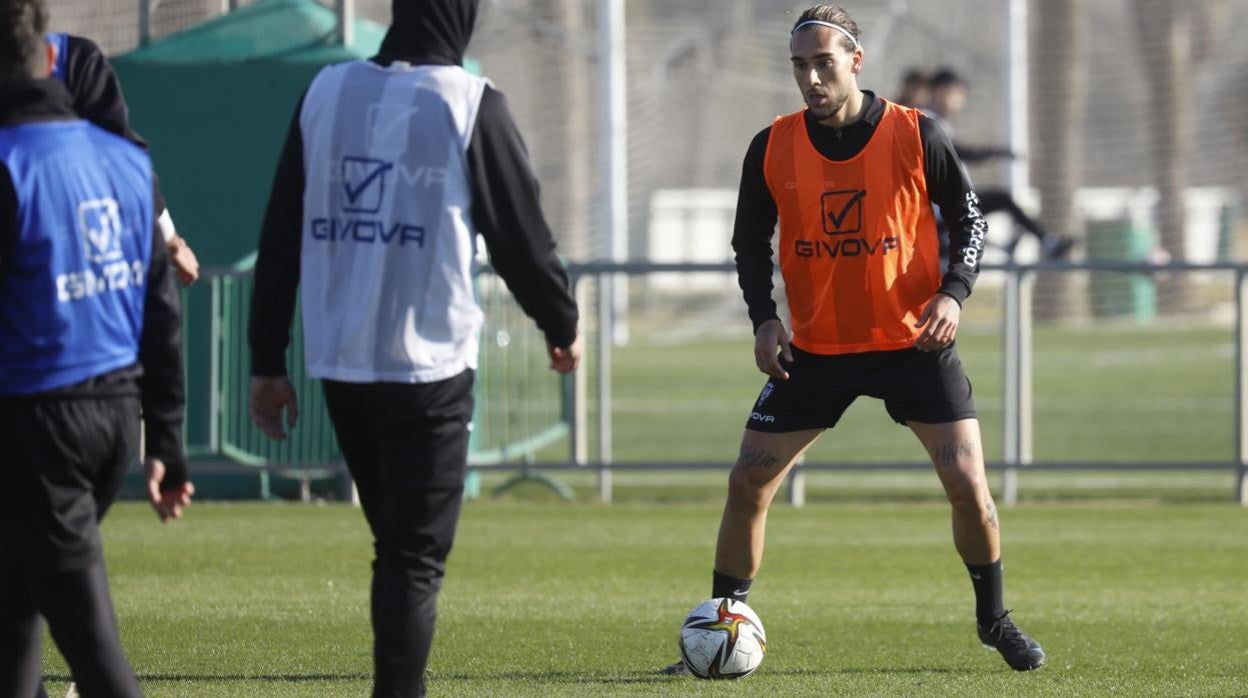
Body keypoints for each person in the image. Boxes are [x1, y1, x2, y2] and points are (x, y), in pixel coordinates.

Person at [664, 4, 1045, 674]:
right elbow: (749, 241)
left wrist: (953, 292)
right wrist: (764, 318)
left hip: (913, 346)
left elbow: (970, 216)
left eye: (824, 63)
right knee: (748, 482)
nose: (811, 78)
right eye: (800, 66)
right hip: (815, 352)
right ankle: (722, 630)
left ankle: (995, 622)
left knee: (968, 485)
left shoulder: (916, 132)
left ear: (856, 61)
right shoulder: (772, 144)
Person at [247, 0, 581, 695]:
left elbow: (278, 234)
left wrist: (267, 360)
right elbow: (522, 240)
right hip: (428, 366)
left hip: (342, 366)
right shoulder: (469, 102)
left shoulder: (326, 90)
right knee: (413, 557)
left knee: (397, 550)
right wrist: (561, 323)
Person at [0, 1, 194, 696]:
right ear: (50, 57)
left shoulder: (11, 163)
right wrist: (165, 436)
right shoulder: (123, 161)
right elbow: (161, 309)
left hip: (39, 423)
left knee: (90, 646)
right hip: (112, 415)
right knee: (13, 621)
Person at [45, 30, 200, 286]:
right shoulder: (73, 59)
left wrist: (170, 239)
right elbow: (123, 160)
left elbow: (121, 157)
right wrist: (171, 241)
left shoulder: (76, 62)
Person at [924, 67, 1074, 260]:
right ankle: (1044, 241)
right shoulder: (926, 119)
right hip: (941, 209)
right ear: (940, 90)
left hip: (951, 206)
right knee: (1000, 202)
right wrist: (999, 152)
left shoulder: (939, 122)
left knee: (996, 206)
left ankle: (1025, 243)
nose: (961, 100)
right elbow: (957, 152)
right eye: (957, 93)